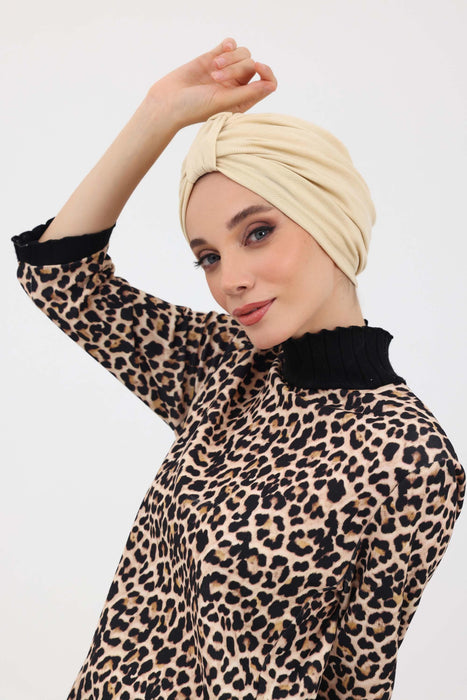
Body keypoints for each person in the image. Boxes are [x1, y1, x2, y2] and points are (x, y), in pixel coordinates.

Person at [12, 38, 465, 700]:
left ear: (327, 217)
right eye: (209, 257)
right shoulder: (225, 367)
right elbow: (62, 280)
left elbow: (358, 680)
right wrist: (159, 113)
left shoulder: (411, 456)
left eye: (256, 233)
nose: (231, 280)